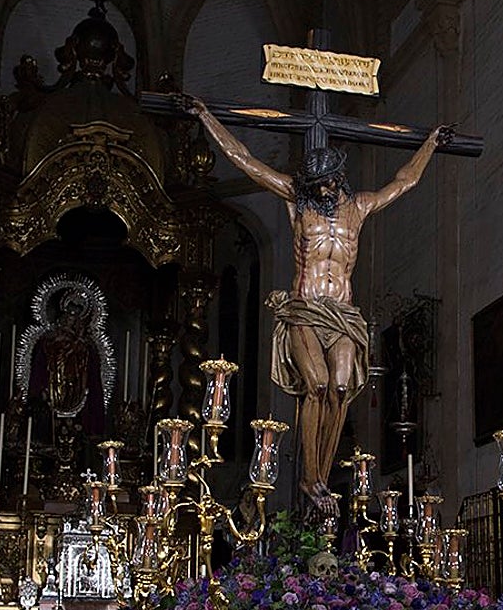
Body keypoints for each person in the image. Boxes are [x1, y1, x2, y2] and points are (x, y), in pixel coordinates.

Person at [187, 96, 453, 514]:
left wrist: (431, 144)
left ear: (338, 177)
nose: (320, 190)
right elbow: (246, 161)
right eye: (315, 184)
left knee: (341, 388)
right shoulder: (298, 201)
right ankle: (309, 477)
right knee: (318, 384)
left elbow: (404, 182)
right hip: (305, 310)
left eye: (326, 183)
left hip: (343, 314)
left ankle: (321, 477)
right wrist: (207, 118)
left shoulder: (359, 207)